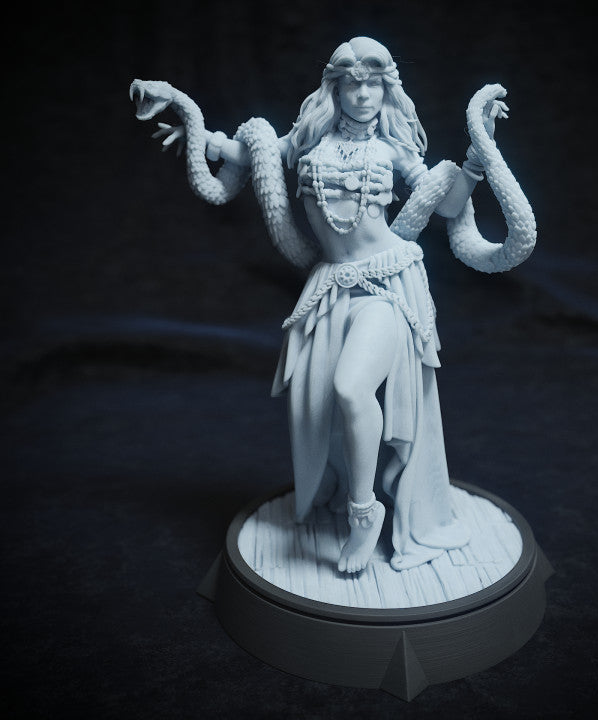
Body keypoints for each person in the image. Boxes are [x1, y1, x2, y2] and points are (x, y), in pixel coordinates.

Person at [132, 36, 534, 574]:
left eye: (374, 84)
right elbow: (243, 156)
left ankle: (365, 514)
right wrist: (194, 125)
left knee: (350, 387)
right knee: (321, 405)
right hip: (330, 289)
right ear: (336, 88)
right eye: (353, 83)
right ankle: (344, 490)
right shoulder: (305, 142)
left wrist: (477, 155)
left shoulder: (393, 151)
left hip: (387, 286)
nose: (364, 94)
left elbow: (449, 206)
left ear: (386, 90)